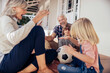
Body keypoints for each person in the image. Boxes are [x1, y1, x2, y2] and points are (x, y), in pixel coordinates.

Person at [0, 0, 57, 73]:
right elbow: (13, 38)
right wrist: (35, 20)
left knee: (52, 52)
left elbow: (20, 36)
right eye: (23, 9)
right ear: (14, 8)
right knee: (37, 29)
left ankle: (23, 71)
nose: (25, 12)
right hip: (7, 63)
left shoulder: (13, 21)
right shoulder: (5, 18)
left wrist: (33, 33)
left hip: (16, 62)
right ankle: (43, 68)